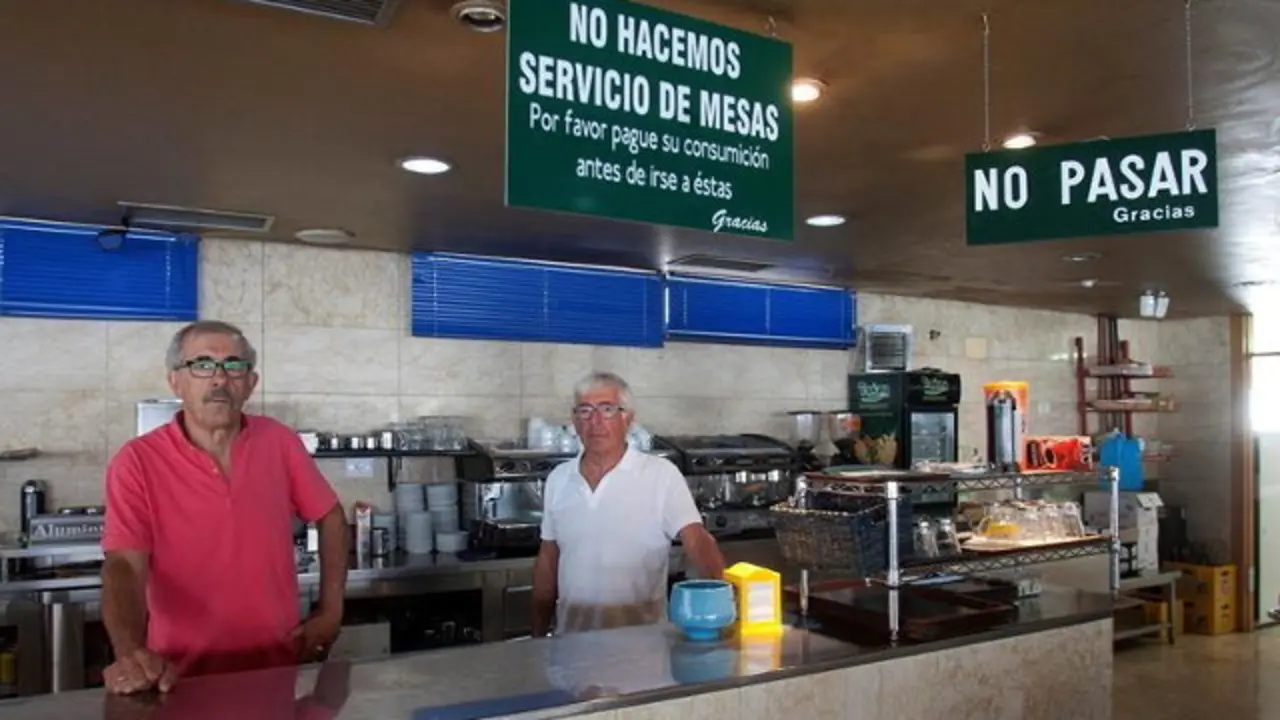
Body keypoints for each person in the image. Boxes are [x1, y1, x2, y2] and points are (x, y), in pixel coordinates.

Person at [100, 320, 348, 694]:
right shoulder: (137, 461)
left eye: (233, 365)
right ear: (175, 381)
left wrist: (331, 611)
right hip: (177, 679)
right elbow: (124, 565)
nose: (219, 378)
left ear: (250, 382)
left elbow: (331, 517)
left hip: (277, 671)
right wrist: (130, 652)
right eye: (202, 364)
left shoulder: (278, 441)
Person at [532, 371, 724, 636]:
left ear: (628, 418)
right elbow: (548, 558)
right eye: (585, 411)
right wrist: (538, 635)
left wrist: (722, 598)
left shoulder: (661, 475)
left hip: (643, 647)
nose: (595, 421)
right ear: (575, 421)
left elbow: (697, 540)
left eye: (607, 409)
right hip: (571, 644)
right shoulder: (559, 479)